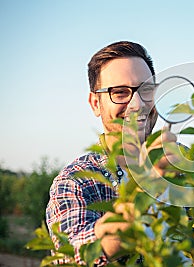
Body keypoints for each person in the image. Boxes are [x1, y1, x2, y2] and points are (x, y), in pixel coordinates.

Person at [46, 41, 177, 265]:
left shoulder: (186, 167)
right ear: (95, 103)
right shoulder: (75, 182)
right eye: (120, 92)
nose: (137, 104)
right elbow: (74, 257)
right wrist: (147, 185)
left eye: (146, 90)